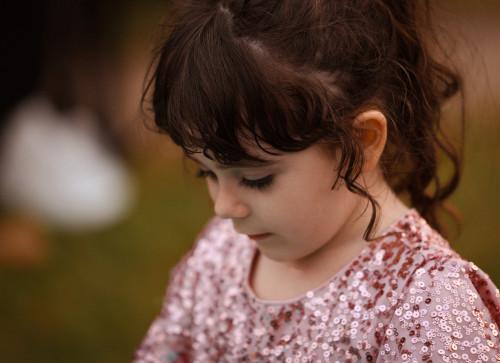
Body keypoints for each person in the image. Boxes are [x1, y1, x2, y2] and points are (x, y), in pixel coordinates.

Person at [134, 0, 500, 361]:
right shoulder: (220, 254)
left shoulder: (427, 306)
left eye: (255, 178)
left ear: (360, 143)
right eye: (206, 172)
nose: (223, 207)